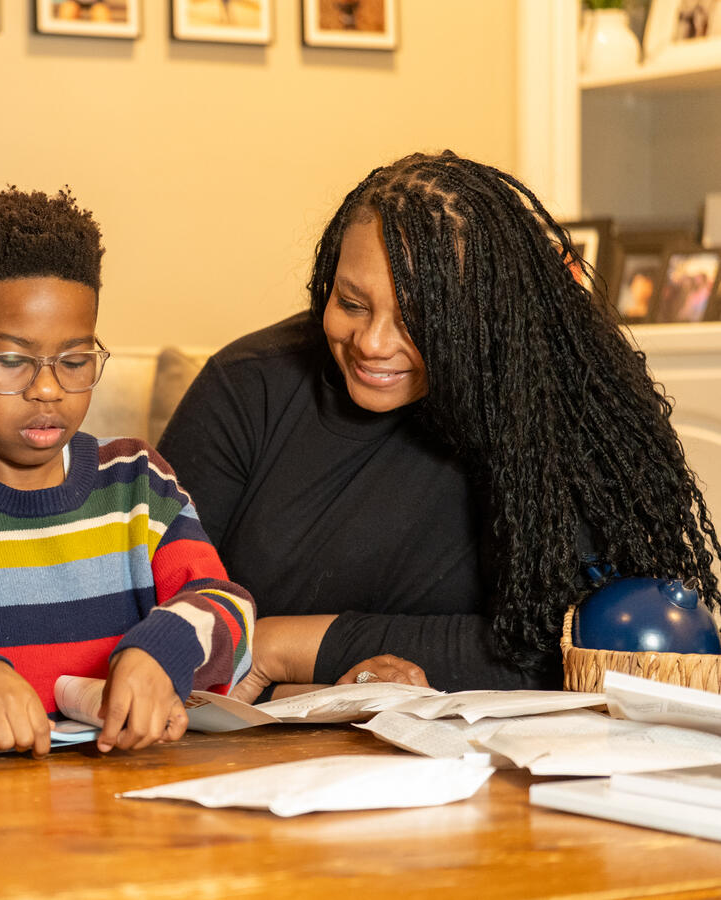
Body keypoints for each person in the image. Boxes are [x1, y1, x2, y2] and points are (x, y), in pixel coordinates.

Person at [157, 151, 721, 701]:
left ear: (488, 318)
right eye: (352, 303)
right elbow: (147, 625)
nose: (373, 344)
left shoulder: (550, 415)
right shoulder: (248, 387)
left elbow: (570, 655)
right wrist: (291, 681)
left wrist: (280, 646)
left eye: (421, 319)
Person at [0, 187, 255, 758]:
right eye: (12, 362)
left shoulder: (137, 482)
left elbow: (230, 605)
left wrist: (163, 649)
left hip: (127, 801)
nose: (47, 389)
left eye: (74, 361)